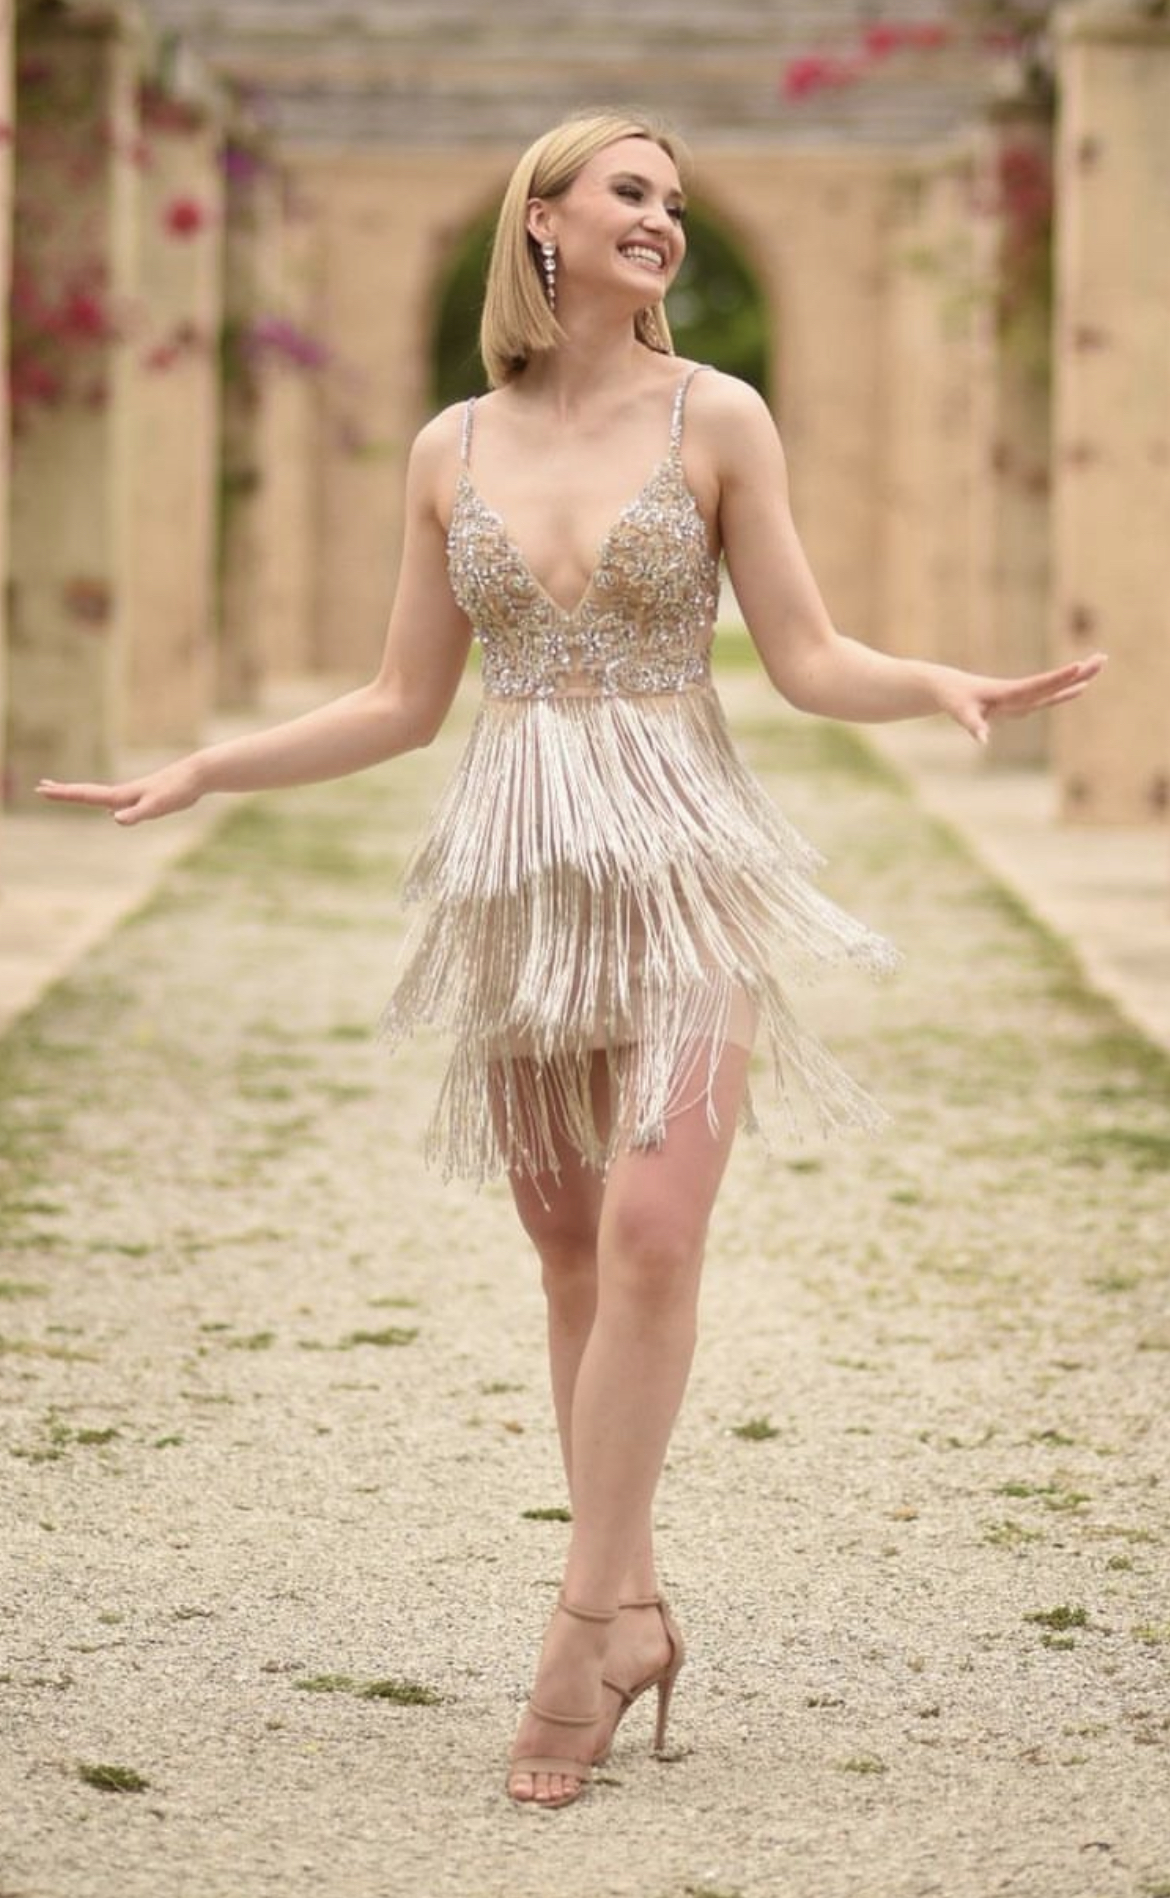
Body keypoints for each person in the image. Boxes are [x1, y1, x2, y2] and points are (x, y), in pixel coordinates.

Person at [38, 108, 1104, 1811]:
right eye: (629, 191)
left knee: (653, 1227)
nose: (660, 217)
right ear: (541, 220)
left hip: (683, 858)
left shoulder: (717, 415)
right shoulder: (447, 445)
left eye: (673, 199)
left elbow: (806, 656)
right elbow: (401, 701)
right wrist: (208, 766)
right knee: (564, 1252)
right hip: (521, 873)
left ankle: (583, 1623)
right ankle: (637, 1601)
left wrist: (937, 684)